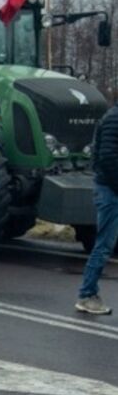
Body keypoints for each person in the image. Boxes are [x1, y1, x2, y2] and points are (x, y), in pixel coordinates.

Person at [76, 99, 118, 314]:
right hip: (111, 191)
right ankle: (87, 295)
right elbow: (108, 157)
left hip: (110, 188)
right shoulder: (114, 118)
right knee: (103, 246)